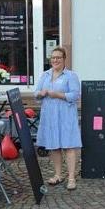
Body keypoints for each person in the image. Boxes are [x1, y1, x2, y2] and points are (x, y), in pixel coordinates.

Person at [35, 46, 82, 190]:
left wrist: (58, 95)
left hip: (66, 116)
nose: (55, 60)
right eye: (53, 57)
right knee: (54, 146)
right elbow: (36, 93)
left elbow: (75, 95)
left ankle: (72, 177)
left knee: (68, 146)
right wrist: (40, 93)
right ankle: (58, 175)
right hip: (49, 116)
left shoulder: (71, 76)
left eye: (58, 58)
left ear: (64, 59)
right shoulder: (45, 75)